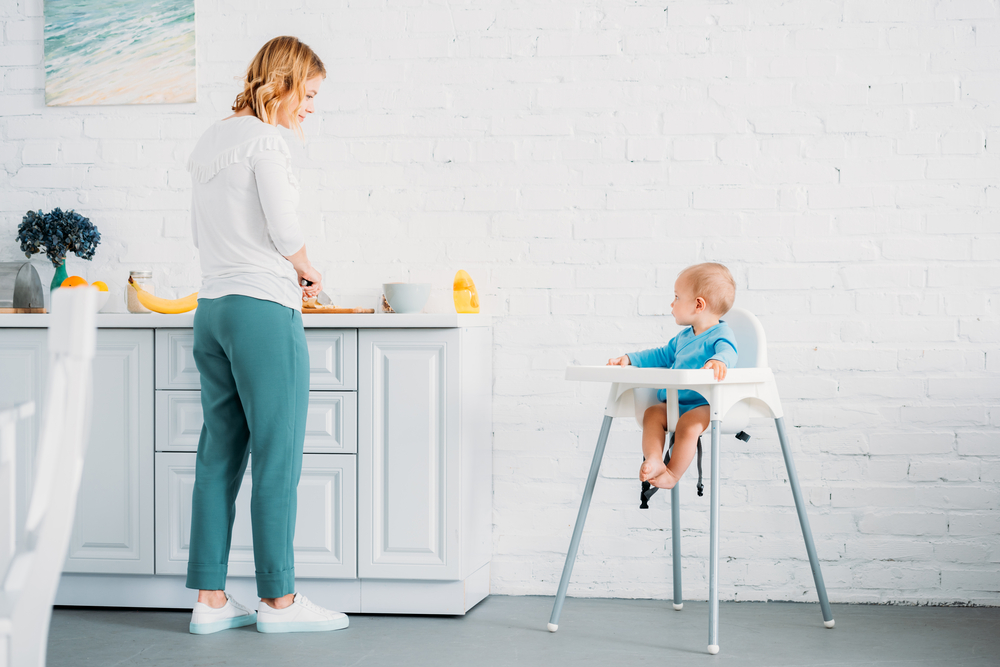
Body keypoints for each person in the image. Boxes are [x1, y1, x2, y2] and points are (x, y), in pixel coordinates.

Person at [184, 36, 346, 635]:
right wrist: (306, 268)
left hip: (213, 309)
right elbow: (283, 229)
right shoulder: (267, 139)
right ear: (280, 83)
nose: (309, 108)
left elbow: (203, 236)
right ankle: (279, 603)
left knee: (218, 456)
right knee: (277, 456)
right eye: (307, 94)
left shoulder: (209, 142)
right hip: (261, 310)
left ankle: (210, 601)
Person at [607, 263, 738, 490]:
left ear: (699, 304)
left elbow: (729, 351)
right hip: (675, 403)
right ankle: (655, 459)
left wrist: (719, 361)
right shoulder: (683, 337)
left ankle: (672, 473)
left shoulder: (721, 334)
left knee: (688, 424)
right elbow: (661, 355)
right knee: (652, 414)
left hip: (705, 404)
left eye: (677, 297)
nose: (671, 303)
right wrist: (630, 358)